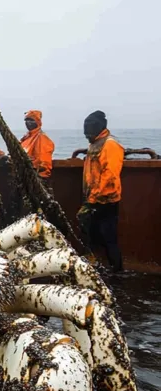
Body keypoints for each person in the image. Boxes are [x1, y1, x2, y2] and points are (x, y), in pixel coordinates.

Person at [77, 110, 124, 271]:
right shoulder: (95, 143)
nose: (86, 135)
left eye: (89, 131)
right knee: (93, 236)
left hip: (106, 201)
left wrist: (91, 201)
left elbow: (110, 176)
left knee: (108, 237)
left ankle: (117, 271)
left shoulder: (110, 145)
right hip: (94, 199)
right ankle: (98, 268)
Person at [20, 109, 54, 181]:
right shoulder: (25, 138)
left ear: (38, 122)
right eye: (26, 120)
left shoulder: (42, 138)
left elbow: (44, 162)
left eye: (31, 120)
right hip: (23, 176)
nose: (28, 122)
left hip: (37, 178)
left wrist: (40, 177)